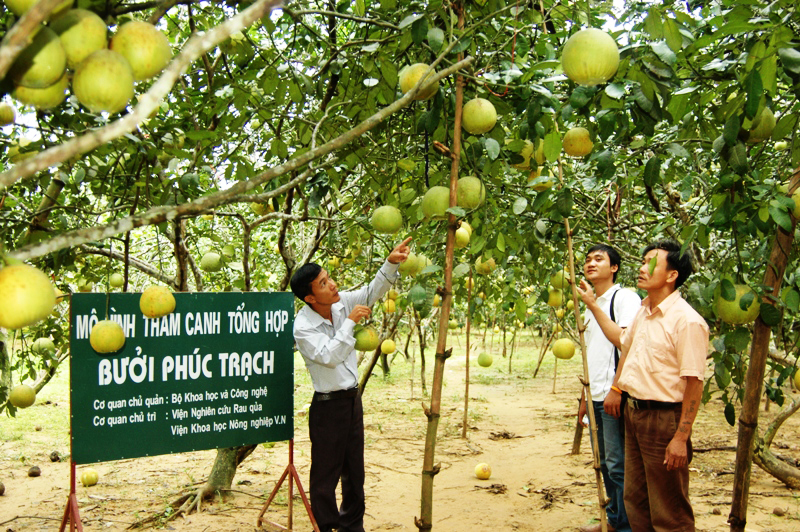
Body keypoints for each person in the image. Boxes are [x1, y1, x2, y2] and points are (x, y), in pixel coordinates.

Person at [290, 237, 412, 532]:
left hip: (351, 401)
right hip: (328, 406)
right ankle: (328, 527)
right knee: (325, 477)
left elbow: (370, 292)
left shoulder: (340, 302)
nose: (331, 285)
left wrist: (390, 263)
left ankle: (352, 526)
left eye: (328, 278)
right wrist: (350, 323)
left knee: (354, 472)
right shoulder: (303, 326)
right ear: (309, 297)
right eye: (323, 284)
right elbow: (329, 356)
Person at [604, 240, 709, 532]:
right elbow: (625, 347)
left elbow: (694, 384)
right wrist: (618, 389)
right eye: (641, 261)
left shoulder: (687, 321)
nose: (641, 267)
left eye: (651, 262)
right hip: (635, 413)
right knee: (636, 500)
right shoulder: (643, 311)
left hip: (664, 419)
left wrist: (680, 437)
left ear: (672, 274)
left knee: (669, 509)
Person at [576, 244, 641, 532]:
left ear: (614, 267)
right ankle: (615, 520)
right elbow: (592, 355)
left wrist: (617, 389)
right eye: (588, 259)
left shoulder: (624, 297)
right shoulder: (592, 306)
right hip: (596, 396)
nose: (591, 263)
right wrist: (583, 398)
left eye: (598, 259)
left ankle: (627, 526)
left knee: (618, 465)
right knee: (604, 463)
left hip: (615, 394)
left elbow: (627, 344)